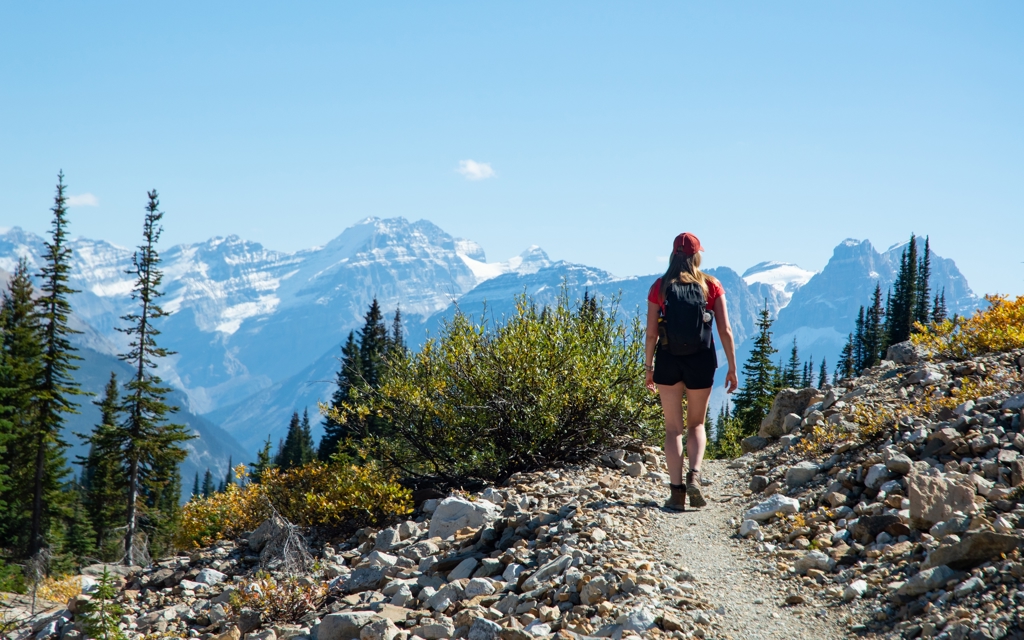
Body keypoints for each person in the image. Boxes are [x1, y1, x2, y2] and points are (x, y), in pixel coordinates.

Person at [645, 232, 738, 510]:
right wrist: (732, 368)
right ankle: (694, 476)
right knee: (696, 424)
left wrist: (648, 367)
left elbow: (651, 333)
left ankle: (676, 494)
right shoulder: (711, 285)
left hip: (668, 359)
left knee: (673, 428)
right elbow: (725, 329)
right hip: (701, 359)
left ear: (673, 254)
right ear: (697, 255)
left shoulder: (660, 287)